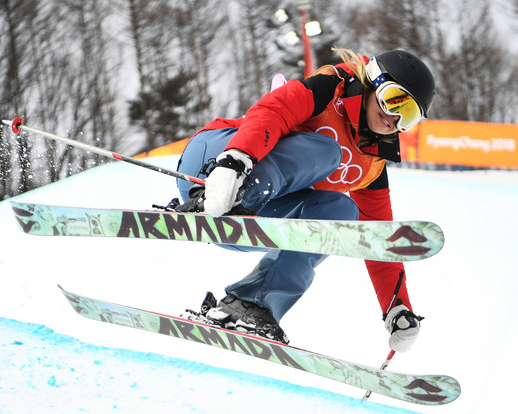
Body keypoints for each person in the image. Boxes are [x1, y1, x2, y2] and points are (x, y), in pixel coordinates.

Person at [174, 48, 435, 352]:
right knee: (327, 151)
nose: (395, 118)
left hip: (251, 214)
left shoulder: (372, 163)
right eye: (394, 100)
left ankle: (251, 304)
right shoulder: (330, 88)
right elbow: (273, 110)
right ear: (374, 82)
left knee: (342, 211)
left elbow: (376, 237)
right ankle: (225, 196)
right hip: (215, 160)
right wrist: (234, 162)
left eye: (409, 116)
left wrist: (398, 307)